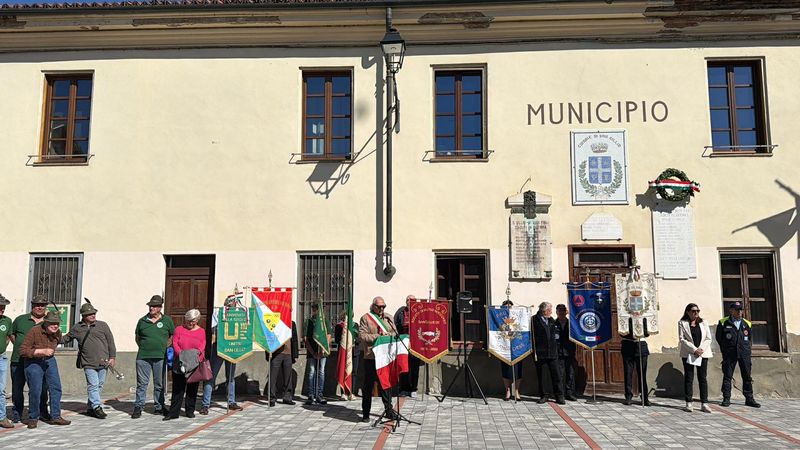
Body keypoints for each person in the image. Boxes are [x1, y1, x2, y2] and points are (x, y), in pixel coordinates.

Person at [61, 301, 117, 419]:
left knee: (99, 385)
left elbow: (110, 342)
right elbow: (65, 339)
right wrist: (54, 333)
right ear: (83, 316)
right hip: (88, 362)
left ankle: (90, 408)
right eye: (90, 314)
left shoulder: (103, 325)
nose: (93, 315)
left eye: (94, 313)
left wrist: (112, 357)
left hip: (104, 361)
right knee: (93, 384)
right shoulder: (77, 328)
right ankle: (97, 407)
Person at [20, 310, 70, 428]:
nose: (55, 326)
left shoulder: (57, 333)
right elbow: (22, 351)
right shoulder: (34, 331)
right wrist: (40, 351)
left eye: (57, 323)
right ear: (45, 323)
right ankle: (33, 417)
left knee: (56, 387)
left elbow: (62, 340)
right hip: (33, 361)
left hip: (49, 360)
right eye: (52, 323)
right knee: (36, 390)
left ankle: (56, 416)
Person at [9, 293, 50, 423]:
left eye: (42, 305)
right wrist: (23, 348)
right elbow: (12, 335)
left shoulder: (49, 321)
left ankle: (42, 412)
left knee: (42, 388)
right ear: (32, 306)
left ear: (45, 307)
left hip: (39, 361)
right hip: (18, 360)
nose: (39, 307)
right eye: (37, 305)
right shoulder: (20, 319)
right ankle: (17, 413)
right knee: (17, 388)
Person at [132, 295, 175, 418]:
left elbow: (172, 336)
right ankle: (138, 407)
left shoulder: (167, 320)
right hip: (143, 357)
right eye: (150, 306)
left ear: (160, 308)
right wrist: (145, 347)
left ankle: (159, 406)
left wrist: (165, 347)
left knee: (159, 383)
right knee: (142, 384)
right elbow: (137, 337)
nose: (151, 308)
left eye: (154, 306)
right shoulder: (142, 321)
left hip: (160, 356)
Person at [358, 296, 398, 422]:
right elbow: (362, 335)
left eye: (383, 306)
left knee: (386, 385)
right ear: (373, 306)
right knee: (368, 385)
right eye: (379, 306)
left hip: (385, 357)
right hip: (371, 357)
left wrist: (389, 335)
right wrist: (378, 336)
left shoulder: (388, 318)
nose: (382, 309)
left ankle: (389, 410)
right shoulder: (366, 318)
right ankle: (365, 413)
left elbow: (395, 333)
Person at [201, 301, 243, 414]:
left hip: (232, 348)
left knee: (230, 377)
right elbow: (213, 329)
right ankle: (205, 404)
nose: (233, 306)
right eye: (231, 304)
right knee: (211, 376)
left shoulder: (240, 314)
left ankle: (231, 401)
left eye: (235, 305)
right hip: (219, 348)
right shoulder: (219, 312)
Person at [716, 301, 760, 408]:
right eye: (737, 310)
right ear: (731, 310)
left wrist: (746, 350)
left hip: (744, 353)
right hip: (730, 354)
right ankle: (726, 398)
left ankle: (749, 399)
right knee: (727, 376)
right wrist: (725, 349)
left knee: (747, 376)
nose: (739, 312)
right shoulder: (723, 322)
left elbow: (749, 339)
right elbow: (719, 338)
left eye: (741, 310)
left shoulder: (747, 323)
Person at [164, 309, 206, 420]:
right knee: (177, 389)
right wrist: (182, 355)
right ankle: (173, 413)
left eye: (193, 321)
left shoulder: (201, 331)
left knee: (192, 389)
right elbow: (175, 343)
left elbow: (202, 346)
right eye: (188, 321)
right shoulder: (179, 329)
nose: (190, 323)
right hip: (180, 362)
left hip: (194, 363)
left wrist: (194, 357)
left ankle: (190, 411)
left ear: (197, 320)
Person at [678, 302, 713, 413]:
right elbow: (682, 339)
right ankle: (689, 402)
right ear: (688, 312)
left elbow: (708, 338)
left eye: (698, 311)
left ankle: (704, 403)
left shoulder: (703, 323)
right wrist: (694, 350)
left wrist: (701, 349)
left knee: (702, 378)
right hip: (689, 353)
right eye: (693, 311)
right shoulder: (682, 323)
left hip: (702, 353)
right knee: (689, 377)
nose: (696, 313)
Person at [532, 301, 564, 404]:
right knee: (542, 376)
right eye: (549, 310)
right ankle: (544, 395)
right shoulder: (534, 320)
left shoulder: (551, 320)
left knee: (556, 375)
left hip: (553, 352)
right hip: (541, 353)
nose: (551, 312)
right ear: (544, 311)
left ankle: (559, 396)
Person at [266, 321, 299, 406]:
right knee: (273, 377)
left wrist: (295, 354)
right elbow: (267, 337)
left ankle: (287, 397)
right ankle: (272, 398)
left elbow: (294, 339)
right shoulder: (274, 320)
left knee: (288, 377)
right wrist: (267, 354)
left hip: (288, 354)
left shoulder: (291, 323)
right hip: (276, 353)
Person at [304, 303, 330, 405]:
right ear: (313, 309)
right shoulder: (309, 322)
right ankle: (311, 395)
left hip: (322, 351)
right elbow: (306, 339)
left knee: (321, 372)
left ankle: (320, 394)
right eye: (317, 309)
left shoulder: (325, 321)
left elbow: (328, 335)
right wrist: (313, 352)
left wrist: (323, 349)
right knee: (311, 372)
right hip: (312, 352)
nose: (319, 311)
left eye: (321, 309)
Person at [394, 295, 420, 398]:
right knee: (404, 366)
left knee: (414, 367)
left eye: (413, 300)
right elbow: (396, 325)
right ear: (406, 302)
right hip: (403, 343)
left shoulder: (419, 312)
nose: (410, 302)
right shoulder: (401, 313)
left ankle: (414, 389)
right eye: (409, 300)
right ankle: (404, 389)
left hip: (416, 343)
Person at [621, 317, 650, 406]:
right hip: (628, 344)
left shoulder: (644, 316)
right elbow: (622, 332)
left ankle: (644, 398)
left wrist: (640, 332)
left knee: (642, 373)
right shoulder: (624, 316)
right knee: (628, 372)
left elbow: (647, 332)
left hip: (641, 344)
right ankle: (628, 396)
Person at [499, 300, 522, 401]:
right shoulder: (499, 318)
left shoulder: (517, 318)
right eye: (506, 307)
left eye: (509, 307)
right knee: (506, 370)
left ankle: (516, 390)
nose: (508, 308)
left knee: (518, 370)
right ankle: (507, 390)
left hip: (518, 348)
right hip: (504, 348)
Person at [334, 311, 360, 399]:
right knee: (343, 371)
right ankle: (343, 393)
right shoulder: (339, 326)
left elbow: (359, 338)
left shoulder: (355, 325)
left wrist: (354, 341)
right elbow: (337, 339)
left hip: (354, 351)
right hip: (344, 351)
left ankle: (351, 392)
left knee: (353, 372)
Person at [555, 304, 578, 401]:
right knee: (559, 374)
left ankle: (570, 393)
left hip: (569, 351)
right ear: (556, 312)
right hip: (558, 352)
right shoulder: (553, 323)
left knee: (570, 373)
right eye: (559, 311)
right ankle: (560, 394)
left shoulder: (571, 323)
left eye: (563, 311)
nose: (561, 313)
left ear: (566, 312)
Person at [0, 294, 14, 428]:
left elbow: (9, 336)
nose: (2, 310)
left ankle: (1, 417)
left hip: (2, 358)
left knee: (1, 389)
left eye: (3, 308)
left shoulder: (7, 321)